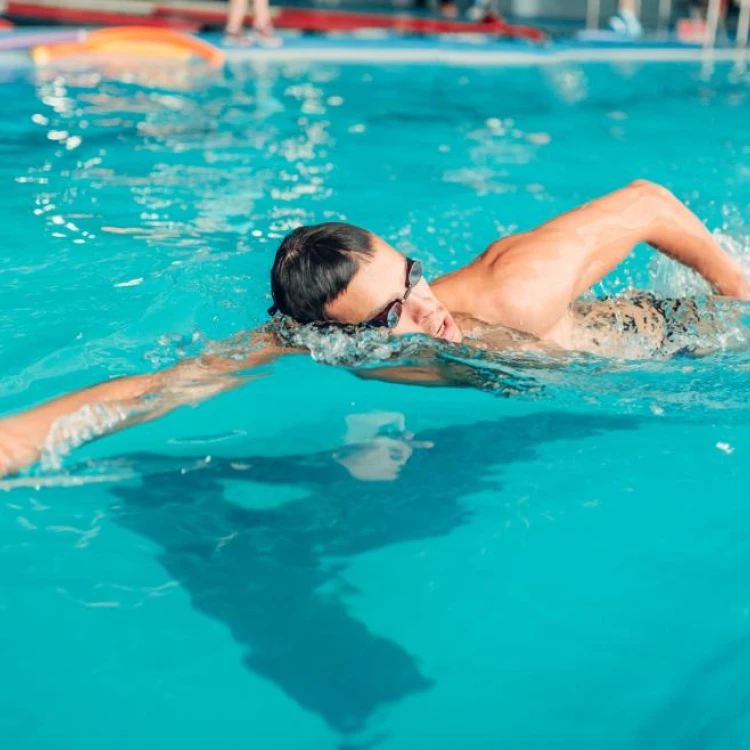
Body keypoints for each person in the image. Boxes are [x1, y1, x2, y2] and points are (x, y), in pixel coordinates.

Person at [1, 180, 748, 477]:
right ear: (338, 336)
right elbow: (165, 389)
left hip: (680, 344)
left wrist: (739, 295)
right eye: (393, 316)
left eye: (413, 277)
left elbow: (650, 202)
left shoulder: (518, 288)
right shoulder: (309, 339)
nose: (428, 311)